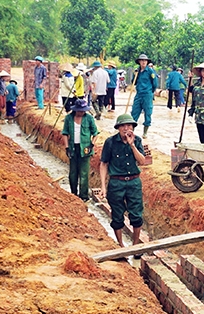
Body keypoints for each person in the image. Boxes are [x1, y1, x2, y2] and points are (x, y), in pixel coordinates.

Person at [99, 114, 146, 248]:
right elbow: (103, 164)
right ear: (118, 128)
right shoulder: (110, 142)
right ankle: (120, 245)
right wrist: (103, 186)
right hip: (116, 183)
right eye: (123, 126)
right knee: (117, 215)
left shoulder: (137, 141)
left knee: (136, 215)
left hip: (134, 182)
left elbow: (142, 161)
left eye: (129, 126)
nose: (126, 128)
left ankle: (136, 246)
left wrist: (132, 146)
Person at [61, 98, 100, 201]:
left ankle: (84, 196)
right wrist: (67, 147)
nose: (81, 113)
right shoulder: (69, 118)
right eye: (79, 111)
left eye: (83, 111)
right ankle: (73, 194)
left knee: (84, 173)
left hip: (85, 149)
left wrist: (91, 144)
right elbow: (65, 133)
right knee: (73, 173)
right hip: (73, 148)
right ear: (75, 110)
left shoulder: (89, 119)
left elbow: (95, 133)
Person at [130, 53, 158, 139]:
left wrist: (150, 92)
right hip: (139, 94)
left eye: (145, 61)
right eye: (142, 60)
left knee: (148, 112)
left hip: (147, 94)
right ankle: (131, 131)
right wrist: (135, 75)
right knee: (134, 112)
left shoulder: (150, 71)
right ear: (139, 62)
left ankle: (145, 132)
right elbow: (133, 82)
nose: (143, 62)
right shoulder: (137, 71)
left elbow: (155, 83)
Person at [187, 61, 204, 144]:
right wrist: (190, 79)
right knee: (202, 139)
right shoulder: (197, 83)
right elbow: (191, 91)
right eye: (203, 71)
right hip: (198, 117)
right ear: (200, 72)